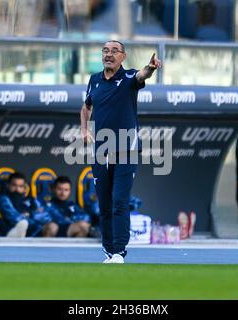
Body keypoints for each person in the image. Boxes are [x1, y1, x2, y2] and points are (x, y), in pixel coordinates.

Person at [80, 40, 161, 263]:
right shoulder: (94, 80)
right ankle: (108, 251)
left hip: (126, 150)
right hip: (100, 151)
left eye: (114, 51)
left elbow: (142, 75)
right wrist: (85, 130)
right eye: (105, 51)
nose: (109, 54)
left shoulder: (128, 78)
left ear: (123, 56)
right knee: (104, 204)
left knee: (119, 201)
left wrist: (151, 67)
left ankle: (119, 251)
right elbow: (86, 107)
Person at [0, 172, 52, 237]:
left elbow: (46, 217)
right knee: (22, 224)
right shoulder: (4, 199)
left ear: (24, 188)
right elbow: (14, 218)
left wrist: (30, 214)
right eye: (14, 185)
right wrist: (32, 217)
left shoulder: (32, 200)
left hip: (35, 230)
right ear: (8, 185)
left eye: (20, 186)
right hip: (13, 228)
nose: (17, 189)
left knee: (51, 227)